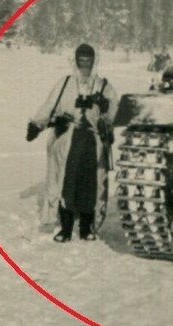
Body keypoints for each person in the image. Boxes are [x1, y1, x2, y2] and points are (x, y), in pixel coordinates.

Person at [26, 43, 117, 242]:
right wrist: (37, 124)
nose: (85, 65)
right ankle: (66, 228)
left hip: (92, 141)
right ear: (75, 62)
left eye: (88, 61)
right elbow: (50, 105)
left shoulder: (103, 86)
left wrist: (104, 109)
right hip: (68, 140)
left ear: (94, 62)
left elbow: (113, 113)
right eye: (81, 61)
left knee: (90, 185)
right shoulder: (65, 83)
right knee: (66, 182)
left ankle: (86, 228)